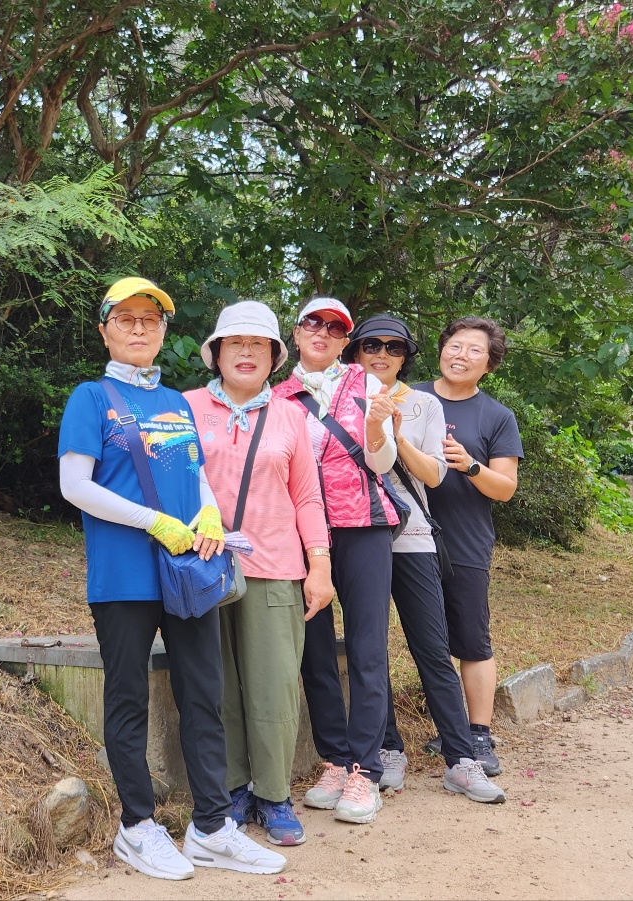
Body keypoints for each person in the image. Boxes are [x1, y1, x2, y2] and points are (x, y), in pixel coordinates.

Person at [57, 277, 286, 880]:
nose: (139, 329)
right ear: (104, 329)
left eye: (150, 320)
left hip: (188, 575)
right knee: (128, 698)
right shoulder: (90, 398)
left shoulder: (176, 403)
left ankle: (211, 826)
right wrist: (154, 521)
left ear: (163, 332)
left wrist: (210, 513)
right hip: (124, 576)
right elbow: (74, 486)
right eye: (126, 318)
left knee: (203, 696)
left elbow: (196, 474)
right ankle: (137, 827)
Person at [183, 301, 334, 847]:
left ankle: (274, 796)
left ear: (274, 357)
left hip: (274, 569)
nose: (245, 353)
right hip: (204, 567)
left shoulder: (291, 416)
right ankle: (231, 790)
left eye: (257, 345)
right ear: (216, 353)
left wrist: (320, 565)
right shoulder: (185, 407)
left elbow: (307, 496)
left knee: (274, 688)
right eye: (234, 343)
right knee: (217, 686)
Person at [346, 315, 506, 804]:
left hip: (412, 534)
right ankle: (389, 748)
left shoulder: (422, 404)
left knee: (433, 649)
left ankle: (461, 758)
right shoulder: (334, 398)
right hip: (357, 534)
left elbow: (435, 476)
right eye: (371, 345)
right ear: (355, 351)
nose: (382, 354)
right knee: (369, 649)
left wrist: (397, 434)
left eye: (394, 348)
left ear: (406, 357)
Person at [273, 297, 401, 825]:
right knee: (315, 650)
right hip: (304, 536)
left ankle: (366, 770)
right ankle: (335, 759)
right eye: (313, 323)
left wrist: (376, 428)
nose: (322, 332)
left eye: (334, 327)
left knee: (368, 648)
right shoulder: (277, 395)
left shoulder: (367, 383)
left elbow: (382, 461)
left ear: (345, 340)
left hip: (364, 526)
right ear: (297, 332)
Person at [415, 316, 523, 777]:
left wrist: (470, 465)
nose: (460, 355)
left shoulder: (496, 416)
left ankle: (478, 733)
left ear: (489, 365)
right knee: (430, 641)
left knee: (472, 642)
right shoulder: (411, 398)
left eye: (474, 350)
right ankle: (449, 727)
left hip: (464, 542)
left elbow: (506, 488)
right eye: (455, 345)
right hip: (406, 538)